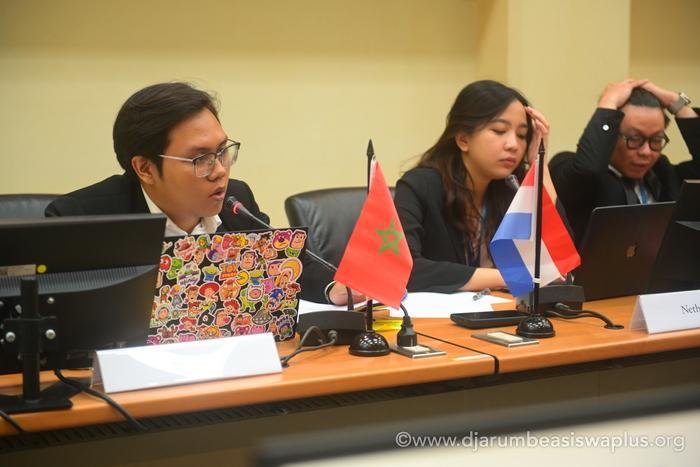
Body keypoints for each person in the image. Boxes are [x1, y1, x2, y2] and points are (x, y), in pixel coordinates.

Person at [45, 82, 359, 305]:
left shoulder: (236, 200)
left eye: (223, 151)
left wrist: (334, 289)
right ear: (145, 168)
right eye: (201, 159)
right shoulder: (80, 219)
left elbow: (282, 268)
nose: (220, 170)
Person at [394, 80, 549, 293]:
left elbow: (556, 261)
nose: (513, 145)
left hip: (500, 309)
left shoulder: (512, 187)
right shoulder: (420, 185)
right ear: (463, 139)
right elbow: (403, 268)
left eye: (522, 135)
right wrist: (510, 277)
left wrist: (539, 164)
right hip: (436, 314)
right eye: (499, 130)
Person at [549, 79, 700, 245]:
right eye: (635, 139)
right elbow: (588, 171)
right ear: (611, 135)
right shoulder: (568, 168)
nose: (646, 152)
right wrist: (608, 103)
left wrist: (677, 104)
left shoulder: (661, 174)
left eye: (656, 140)